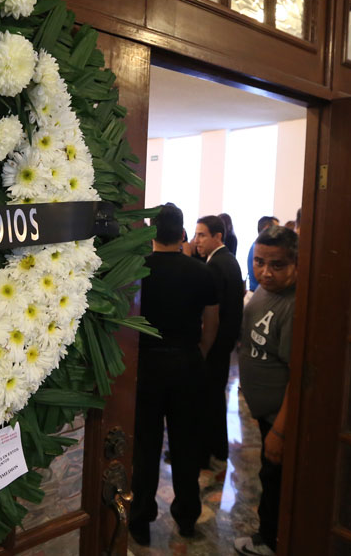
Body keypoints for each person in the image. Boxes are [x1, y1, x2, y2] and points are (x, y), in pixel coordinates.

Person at [130, 204, 219, 545]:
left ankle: (139, 520)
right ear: (182, 234)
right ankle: (185, 518)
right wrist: (199, 353)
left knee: (145, 447)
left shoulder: (137, 270)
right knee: (186, 444)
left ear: (152, 232)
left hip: (148, 367)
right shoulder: (201, 272)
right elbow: (211, 325)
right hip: (187, 364)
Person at [234, 226, 299, 556]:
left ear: (295, 265)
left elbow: (297, 376)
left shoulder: (293, 304)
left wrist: (281, 431)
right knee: (268, 475)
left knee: (276, 480)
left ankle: (270, 542)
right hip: (263, 412)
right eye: (259, 262)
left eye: (276, 265)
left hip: (278, 416)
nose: (265, 272)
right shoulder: (263, 290)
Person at [193, 215, 245, 469]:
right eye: (196, 234)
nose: (196, 241)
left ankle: (203, 454)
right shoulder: (228, 260)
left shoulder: (216, 265)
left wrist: (205, 344)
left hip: (215, 344)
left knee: (207, 400)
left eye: (202, 235)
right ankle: (219, 450)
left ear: (218, 237)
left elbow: (212, 311)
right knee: (215, 399)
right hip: (225, 344)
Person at [246, 216, 279, 292]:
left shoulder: (257, 246)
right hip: (258, 291)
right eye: (276, 229)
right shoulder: (259, 249)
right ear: (266, 229)